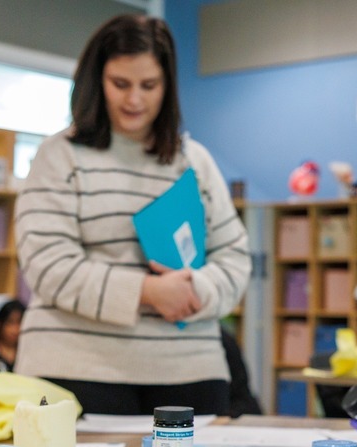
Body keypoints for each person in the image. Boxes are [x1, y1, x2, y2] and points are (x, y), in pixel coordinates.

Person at [13, 15, 250, 415]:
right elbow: (47, 264)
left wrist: (194, 288)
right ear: (96, 81)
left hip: (189, 370)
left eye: (149, 85)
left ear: (168, 86)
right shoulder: (60, 156)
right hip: (75, 366)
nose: (134, 100)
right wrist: (148, 292)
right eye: (120, 84)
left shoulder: (194, 162)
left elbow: (235, 260)